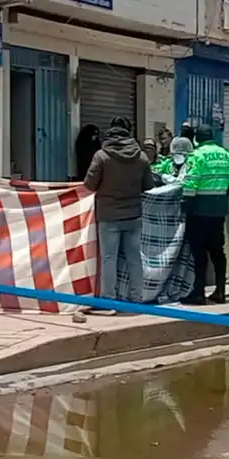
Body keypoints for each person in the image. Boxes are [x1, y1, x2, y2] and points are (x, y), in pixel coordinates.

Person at [84, 116, 155, 315]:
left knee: (109, 258)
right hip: (134, 215)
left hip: (108, 215)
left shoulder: (101, 156)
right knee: (134, 258)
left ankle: (109, 299)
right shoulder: (140, 157)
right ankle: (137, 298)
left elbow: (89, 185)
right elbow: (148, 186)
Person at [181, 125, 229, 305]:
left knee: (199, 253)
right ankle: (220, 291)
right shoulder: (226, 154)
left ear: (197, 139)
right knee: (217, 251)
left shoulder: (196, 155)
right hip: (218, 210)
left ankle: (198, 292)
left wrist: (186, 206)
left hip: (199, 210)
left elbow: (191, 182)